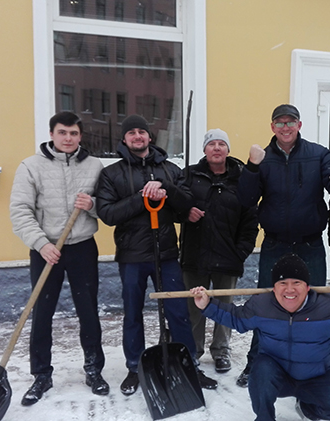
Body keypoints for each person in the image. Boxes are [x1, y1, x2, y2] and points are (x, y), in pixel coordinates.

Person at [95, 114, 217, 395]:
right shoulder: (111, 173)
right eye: (132, 133)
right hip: (132, 257)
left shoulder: (170, 169)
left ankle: (190, 365)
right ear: (124, 139)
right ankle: (134, 366)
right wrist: (141, 198)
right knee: (132, 314)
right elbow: (108, 214)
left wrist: (166, 189)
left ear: (150, 137)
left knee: (178, 311)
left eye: (142, 132)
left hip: (166, 254)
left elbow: (186, 204)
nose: (137, 136)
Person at [235, 103, 330, 387]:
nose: (285, 128)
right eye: (280, 123)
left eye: (291, 122)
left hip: (310, 245)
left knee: (316, 303)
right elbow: (246, 199)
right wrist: (251, 167)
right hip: (275, 245)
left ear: (300, 125)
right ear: (272, 127)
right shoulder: (263, 159)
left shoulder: (318, 154)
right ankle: (257, 362)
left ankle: (320, 360)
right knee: (266, 304)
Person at [190, 253, 330, 421]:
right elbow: (237, 319)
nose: (290, 290)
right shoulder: (261, 305)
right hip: (276, 376)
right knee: (260, 369)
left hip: (316, 377)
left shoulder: (328, 307)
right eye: (283, 283)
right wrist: (207, 306)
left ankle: (308, 408)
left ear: (307, 286)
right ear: (274, 287)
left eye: (296, 283)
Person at [9, 111, 108, 405]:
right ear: (52, 134)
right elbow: (20, 211)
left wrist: (92, 205)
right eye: (62, 133)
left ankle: (94, 369)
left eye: (74, 133)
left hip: (82, 248)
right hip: (46, 250)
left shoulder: (95, 166)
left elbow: (108, 207)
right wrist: (41, 243)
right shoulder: (31, 167)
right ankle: (41, 374)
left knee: (88, 310)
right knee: (42, 312)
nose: (68, 138)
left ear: (81, 136)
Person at [180, 128, 259, 373]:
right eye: (211, 144)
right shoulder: (190, 175)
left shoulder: (241, 179)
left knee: (225, 306)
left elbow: (250, 220)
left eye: (221, 144)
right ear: (204, 149)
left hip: (228, 254)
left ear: (227, 150)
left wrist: (241, 252)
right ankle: (193, 350)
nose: (216, 148)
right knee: (194, 306)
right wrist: (185, 211)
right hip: (196, 253)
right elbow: (175, 205)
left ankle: (221, 350)